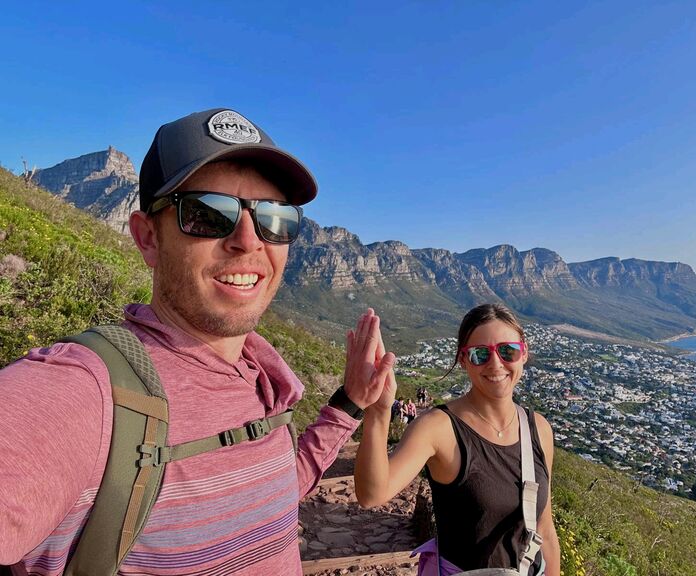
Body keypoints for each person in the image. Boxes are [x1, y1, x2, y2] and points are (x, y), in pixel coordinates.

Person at [0, 108, 393, 575]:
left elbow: (274, 491)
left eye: (274, 217)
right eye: (208, 213)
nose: (249, 240)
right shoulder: (85, 392)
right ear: (148, 238)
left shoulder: (259, 378)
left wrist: (348, 403)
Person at [355, 303, 561, 575]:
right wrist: (379, 412)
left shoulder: (539, 429)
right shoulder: (438, 428)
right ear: (463, 360)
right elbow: (371, 495)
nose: (496, 363)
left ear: (524, 353)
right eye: (480, 355)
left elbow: (544, 527)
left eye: (507, 351)